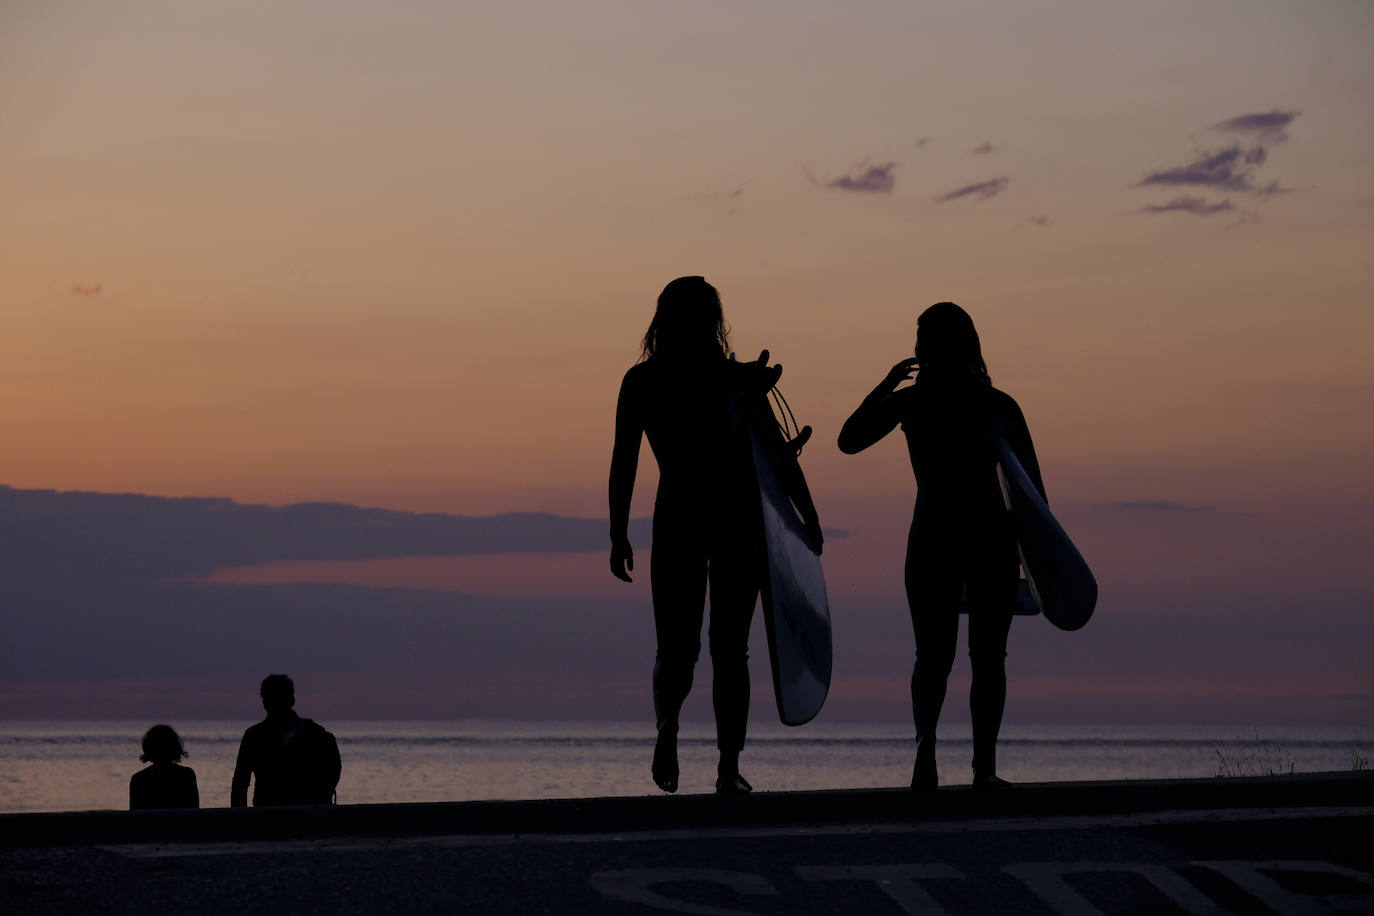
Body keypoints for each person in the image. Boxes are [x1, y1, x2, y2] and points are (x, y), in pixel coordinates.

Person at [609, 276, 821, 795]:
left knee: (675, 648)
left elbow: (624, 464)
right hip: (734, 523)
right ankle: (728, 768)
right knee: (731, 649)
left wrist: (618, 533)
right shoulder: (737, 381)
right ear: (715, 320)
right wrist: (808, 516)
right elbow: (775, 453)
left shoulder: (643, 382)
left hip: (676, 516)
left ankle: (667, 727)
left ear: (662, 319)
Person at [838, 302, 1044, 789]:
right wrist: (1036, 556)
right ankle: (981, 770)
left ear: (923, 347)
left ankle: (927, 754)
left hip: (939, 535)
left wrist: (887, 385)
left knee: (935, 655)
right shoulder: (996, 404)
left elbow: (849, 439)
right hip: (987, 536)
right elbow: (1034, 491)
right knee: (985, 657)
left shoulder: (916, 402)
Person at [230, 674, 341, 806]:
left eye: (280, 698)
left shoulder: (316, 734)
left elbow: (332, 770)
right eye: (272, 699)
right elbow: (240, 783)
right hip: (269, 814)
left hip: (306, 813)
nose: (276, 704)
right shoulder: (253, 736)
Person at [129, 724, 199, 809]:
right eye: (157, 746)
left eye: (163, 746)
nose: (161, 751)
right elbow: (194, 811)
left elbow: (135, 816)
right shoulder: (186, 775)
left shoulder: (138, 779)